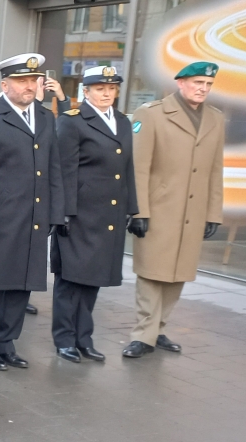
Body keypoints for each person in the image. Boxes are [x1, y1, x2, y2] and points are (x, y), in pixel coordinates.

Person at [0, 53, 63, 371]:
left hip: (34, 218)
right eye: (21, 81)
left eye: (32, 80)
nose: (29, 86)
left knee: (22, 284)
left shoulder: (46, 118)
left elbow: (54, 169)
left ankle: (6, 342)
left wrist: (55, 214)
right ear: (5, 84)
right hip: (1, 218)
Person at [123, 61, 224, 358]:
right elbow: (138, 167)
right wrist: (139, 211)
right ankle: (143, 334)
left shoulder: (215, 119)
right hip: (159, 208)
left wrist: (213, 213)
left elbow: (215, 170)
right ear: (181, 83)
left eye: (207, 85)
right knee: (152, 272)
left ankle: (159, 328)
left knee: (178, 273)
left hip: (192, 212)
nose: (203, 89)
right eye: (197, 83)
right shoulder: (151, 114)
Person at [51, 66, 137, 363]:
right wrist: (62, 212)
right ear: (85, 92)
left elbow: (127, 169)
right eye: (99, 88)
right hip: (79, 215)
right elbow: (63, 170)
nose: (106, 93)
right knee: (71, 280)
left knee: (94, 280)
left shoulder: (123, 122)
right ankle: (64, 339)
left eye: (111, 89)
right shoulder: (72, 121)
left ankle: (83, 338)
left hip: (108, 215)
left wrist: (132, 208)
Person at [25, 75, 70, 316]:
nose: (36, 87)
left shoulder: (44, 116)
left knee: (34, 250)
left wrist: (62, 98)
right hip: (19, 197)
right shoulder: (27, 108)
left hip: (42, 196)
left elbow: (65, 126)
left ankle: (25, 293)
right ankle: (15, 294)